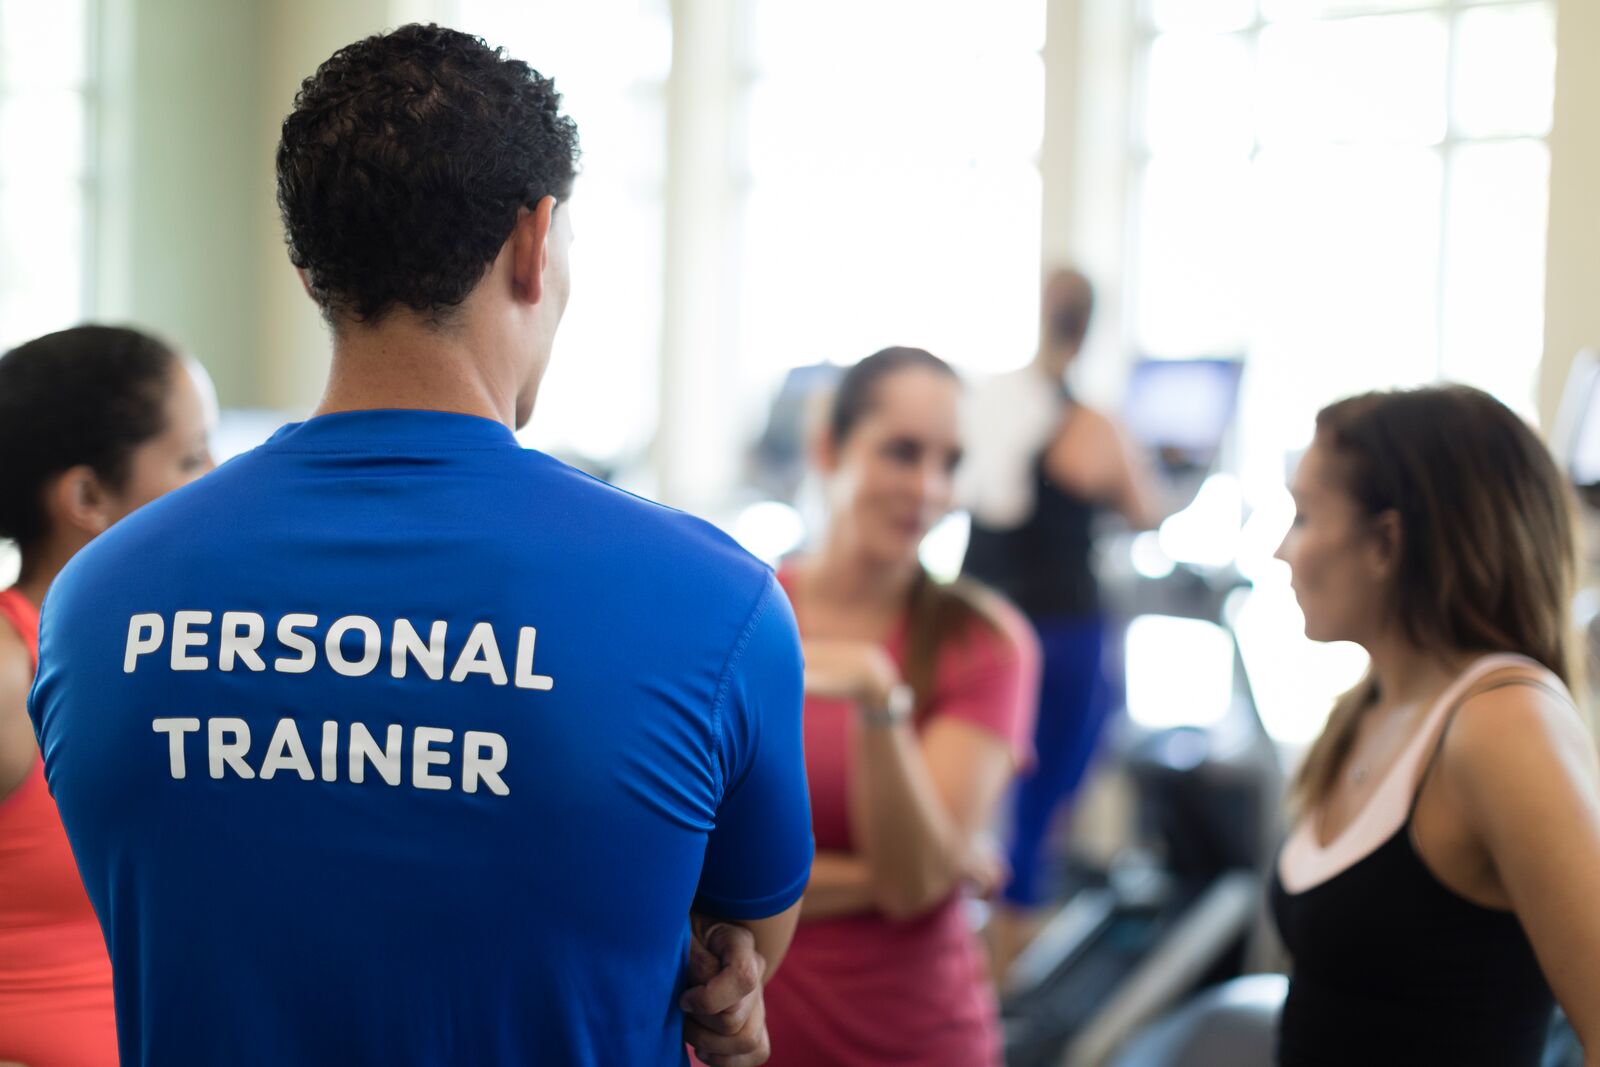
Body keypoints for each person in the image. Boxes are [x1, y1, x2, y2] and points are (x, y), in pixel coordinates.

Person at [29, 25, 811, 1067]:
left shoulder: (92, 602)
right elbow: (736, 943)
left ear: (309, 268)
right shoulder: (718, 603)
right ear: (535, 242)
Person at [1270, 385, 1600, 1066]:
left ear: (1386, 541)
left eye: (1303, 516)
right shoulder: (1366, 707)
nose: (1282, 550)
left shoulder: (1502, 721)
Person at [760, 347, 1040, 1067]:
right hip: (742, 1035)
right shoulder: (743, 613)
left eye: (950, 462)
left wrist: (876, 695)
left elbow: (915, 883)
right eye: (902, 452)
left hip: (913, 1039)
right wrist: (897, 870)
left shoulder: (985, 642)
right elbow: (688, 869)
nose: (929, 487)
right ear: (830, 446)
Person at [0, 325, 215, 1067]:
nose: (220, 480)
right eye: (192, 457)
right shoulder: (5, 668)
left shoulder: (184, 656)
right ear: (87, 495)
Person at [958, 267, 1160, 969]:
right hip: (1054, 626)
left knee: (985, 773)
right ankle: (1012, 938)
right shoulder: (1090, 424)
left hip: (974, 613)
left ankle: (998, 924)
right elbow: (1145, 509)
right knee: (1050, 777)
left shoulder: (985, 403)